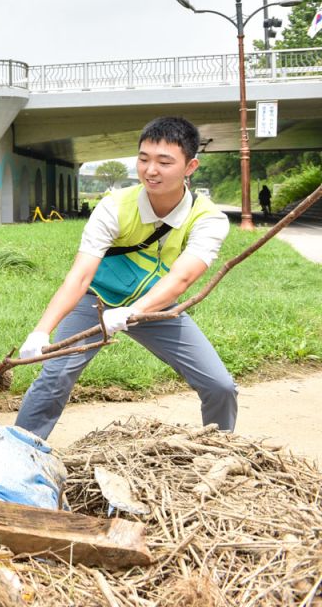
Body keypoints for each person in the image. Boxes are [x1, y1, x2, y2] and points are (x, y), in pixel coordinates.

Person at [14, 116, 233, 440]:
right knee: (55, 376)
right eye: (144, 159)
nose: (151, 170)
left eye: (164, 161)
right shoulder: (114, 206)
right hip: (97, 300)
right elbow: (80, 274)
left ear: (190, 166)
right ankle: (17, 453)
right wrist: (40, 331)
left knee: (220, 385)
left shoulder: (209, 219)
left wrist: (134, 312)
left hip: (157, 307)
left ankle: (221, 449)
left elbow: (182, 278)